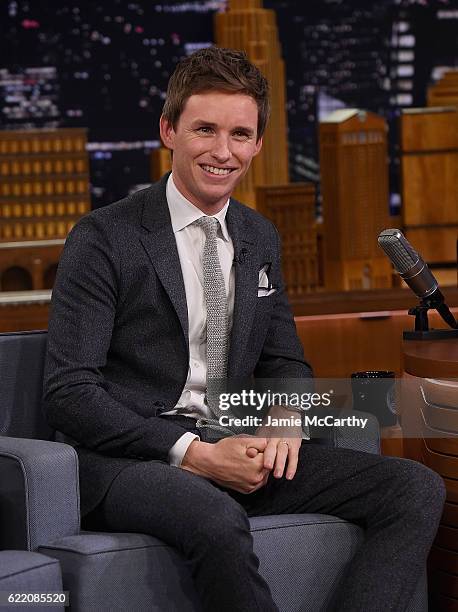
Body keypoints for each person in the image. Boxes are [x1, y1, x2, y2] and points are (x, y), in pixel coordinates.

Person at [43, 46, 445, 612]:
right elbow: (70, 394)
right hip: (132, 459)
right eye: (205, 129)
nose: (222, 152)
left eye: (239, 134)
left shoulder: (259, 237)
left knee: (414, 488)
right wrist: (193, 454)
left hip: (234, 441)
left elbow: (285, 361)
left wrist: (285, 422)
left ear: (258, 143)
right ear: (169, 130)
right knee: (215, 516)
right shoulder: (105, 237)